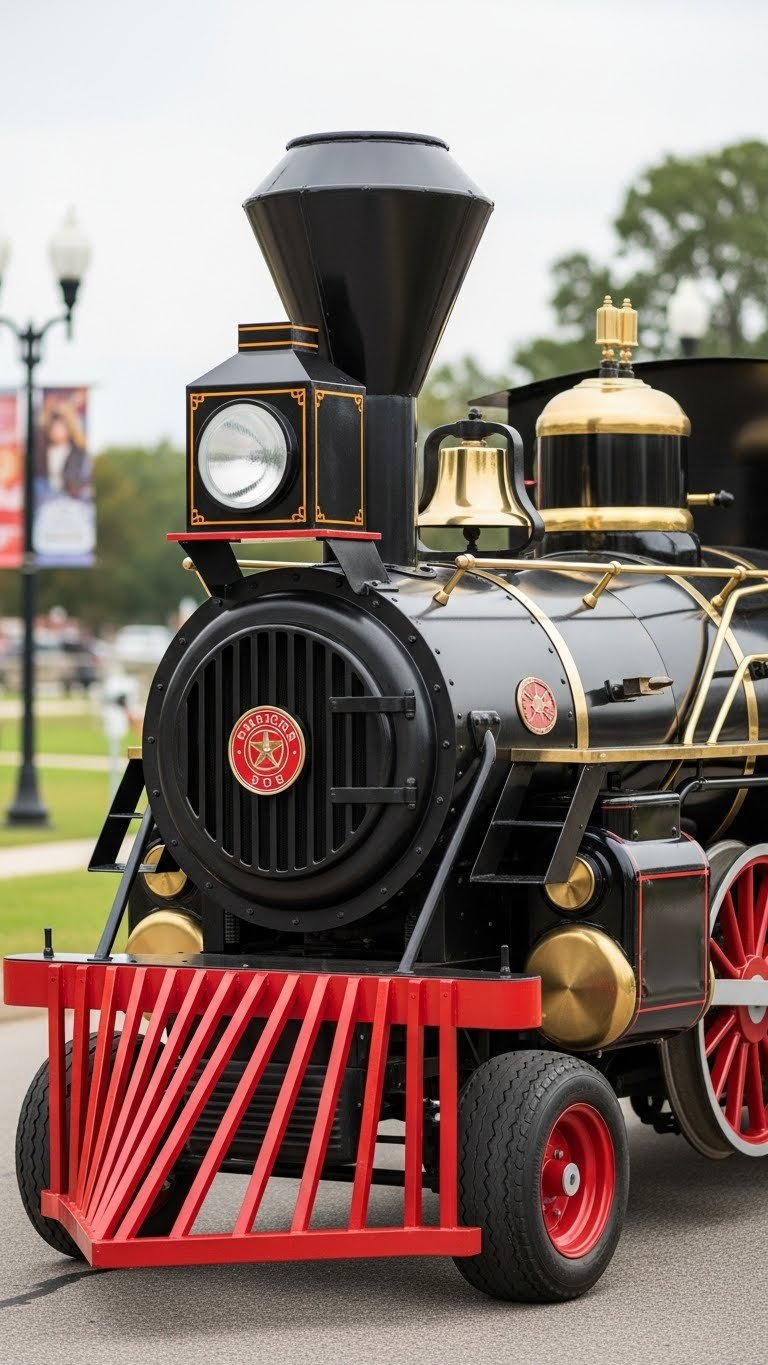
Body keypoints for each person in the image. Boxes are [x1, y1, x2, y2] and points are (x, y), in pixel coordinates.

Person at [36, 400, 91, 500]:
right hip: (45, 501)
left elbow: (80, 481)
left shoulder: (78, 453)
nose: (56, 431)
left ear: (69, 428)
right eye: (53, 427)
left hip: (70, 501)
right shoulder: (42, 452)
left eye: (61, 427)